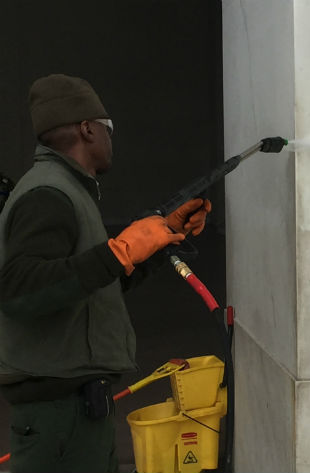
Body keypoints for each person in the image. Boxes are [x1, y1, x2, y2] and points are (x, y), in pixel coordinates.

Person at [0, 73, 211, 472]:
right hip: (59, 418)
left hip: (77, 408)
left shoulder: (70, 190)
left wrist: (160, 238)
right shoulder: (49, 195)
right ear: (87, 129)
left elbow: (90, 287)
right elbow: (19, 292)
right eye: (107, 128)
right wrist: (120, 252)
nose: (111, 138)